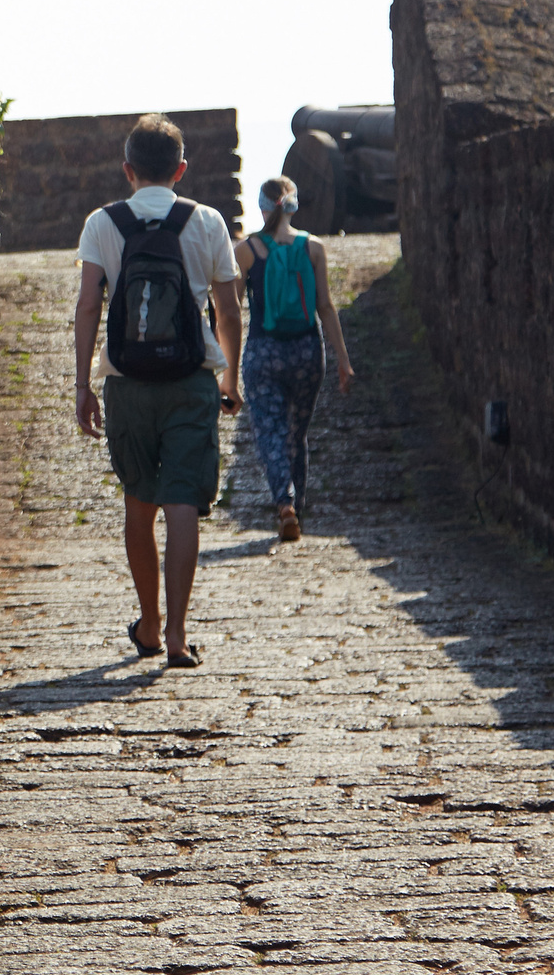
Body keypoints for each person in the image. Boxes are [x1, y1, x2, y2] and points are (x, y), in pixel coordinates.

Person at [73, 114, 243, 669]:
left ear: (128, 170)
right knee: (183, 503)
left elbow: (89, 305)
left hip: (127, 383)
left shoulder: (103, 222)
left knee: (139, 501)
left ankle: (146, 620)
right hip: (191, 379)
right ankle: (176, 634)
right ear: (181, 169)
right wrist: (230, 377)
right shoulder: (207, 220)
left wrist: (83, 384)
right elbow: (227, 306)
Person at [235, 176, 355, 542]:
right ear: (293, 206)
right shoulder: (313, 247)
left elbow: (230, 310)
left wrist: (220, 362)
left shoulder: (246, 250)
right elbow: (326, 306)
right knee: (296, 434)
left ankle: (284, 502)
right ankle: (296, 507)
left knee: (270, 430)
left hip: (263, 350)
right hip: (307, 350)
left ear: (262, 207)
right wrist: (343, 360)